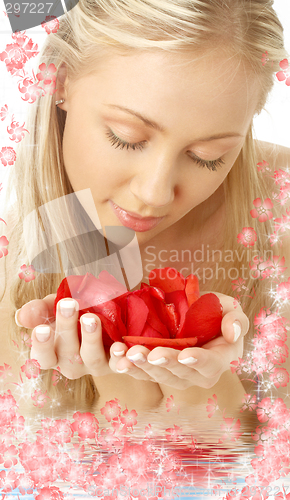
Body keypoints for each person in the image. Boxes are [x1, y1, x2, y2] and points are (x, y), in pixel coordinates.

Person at [1, 0, 289, 413]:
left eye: (208, 157)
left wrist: (200, 392)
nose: (155, 194)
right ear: (60, 81)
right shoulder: (14, 269)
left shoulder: (281, 213)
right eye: (126, 137)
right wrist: (120, 381)